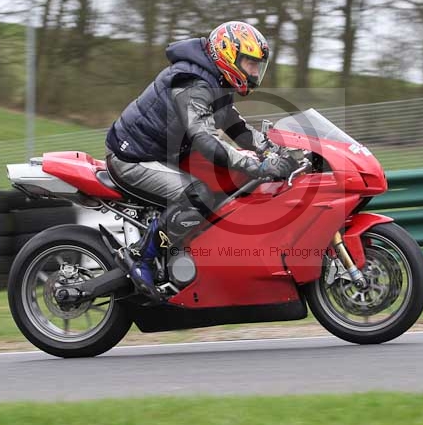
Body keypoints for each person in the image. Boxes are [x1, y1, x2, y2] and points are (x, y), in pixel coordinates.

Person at [105, 21, 298, 302]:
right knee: (198, 195)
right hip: (133, 156)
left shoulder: (215, 79)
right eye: (250, 63)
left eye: (258, 65)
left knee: (227, 183)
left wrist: (272, 147)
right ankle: (142, 259)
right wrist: (258, 165)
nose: (255, 72)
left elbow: (233, 126)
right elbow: (205, 139)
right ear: (227, 55)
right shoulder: (193, 83)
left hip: (166, 153)